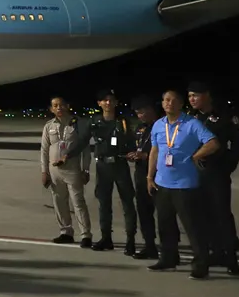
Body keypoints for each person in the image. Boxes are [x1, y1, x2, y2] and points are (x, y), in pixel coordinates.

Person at [148, 90, 220, 279]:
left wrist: (196, 156)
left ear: (180, 104)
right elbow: (154, 151)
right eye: (165, 100)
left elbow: (213, 143)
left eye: (173, 100)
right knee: (165, 225)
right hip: (162, 183)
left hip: (185, 185)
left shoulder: (191, 124)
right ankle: (168, 259)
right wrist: (149, 177)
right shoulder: (158, 125)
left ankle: (201, 264)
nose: (168, 103)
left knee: (193, 227)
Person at [187, 81, 239, 275]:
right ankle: (213, 252)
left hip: (216, 173)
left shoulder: (225, 116)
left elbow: (237, 145)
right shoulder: (190, 118)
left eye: (196, 95)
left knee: (222, 215)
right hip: (195, 174)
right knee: (202, 216)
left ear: (207, 95)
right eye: (190, 96)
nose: (192, 99)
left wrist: (227, 167)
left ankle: (231, 257)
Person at [89, 89, 138, 255]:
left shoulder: (123, 122)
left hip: (120, 165)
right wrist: (67, 155)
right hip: (102, 167)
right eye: (105, 100)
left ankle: (130, 240)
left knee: (128, 203)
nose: (108, 103)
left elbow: (131, 141)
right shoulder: (94, 121)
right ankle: (106, 238)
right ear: (99, 103)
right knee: (104, 203)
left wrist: (133, 153)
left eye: (111, 100)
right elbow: (82, 140)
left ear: (116, 103)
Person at [40, 96, 93, 247]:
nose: (59, 108)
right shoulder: (49, 126)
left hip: (73, 169)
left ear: (68, 106)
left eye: (62, 105)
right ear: (51, 109)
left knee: (78, 202)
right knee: (59, 202)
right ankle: (66, 232)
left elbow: (85, 149)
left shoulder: (78, 124)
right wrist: (44, 172)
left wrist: (86, 169)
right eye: (55, 106)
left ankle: (86, 235)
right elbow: (44, 150)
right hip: (54, 169)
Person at [127, 94, 160, 260]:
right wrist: (133, 154)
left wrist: (146, 156)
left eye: (142, 111)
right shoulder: (140, 128)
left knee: (164, 213)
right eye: (137, 113)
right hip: (141, 174)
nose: (140, 115)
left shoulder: (163, 126)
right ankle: (150, 245)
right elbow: (136, 146)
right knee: (144, 212)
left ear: (151, 109)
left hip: (160, 175)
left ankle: (170, 247)